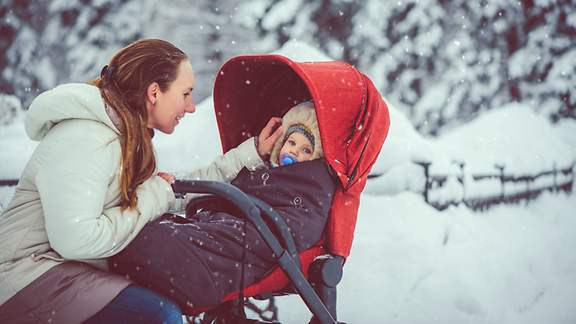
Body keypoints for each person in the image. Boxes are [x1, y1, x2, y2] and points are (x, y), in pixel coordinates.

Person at [0, 39, 282, 323]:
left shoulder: (128, 137)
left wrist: (250, 154)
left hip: (65, 269)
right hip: (23, 275)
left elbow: (170, 189)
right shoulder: (85, 139)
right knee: (159, 315)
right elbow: (77, 239)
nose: (191, 106)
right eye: (185, 94)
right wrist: (154, 195)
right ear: (154, 91)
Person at [109, 101, 337, 312]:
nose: (295, 151)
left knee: (148, 239)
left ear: (317, 158)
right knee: (151, 229)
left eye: (307, 150)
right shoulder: (265, 173)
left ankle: (191, 271)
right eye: (292, 142)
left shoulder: (309, 186)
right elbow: (232, 189)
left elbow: (297, 227)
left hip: (255, 238)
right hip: (230, 224)